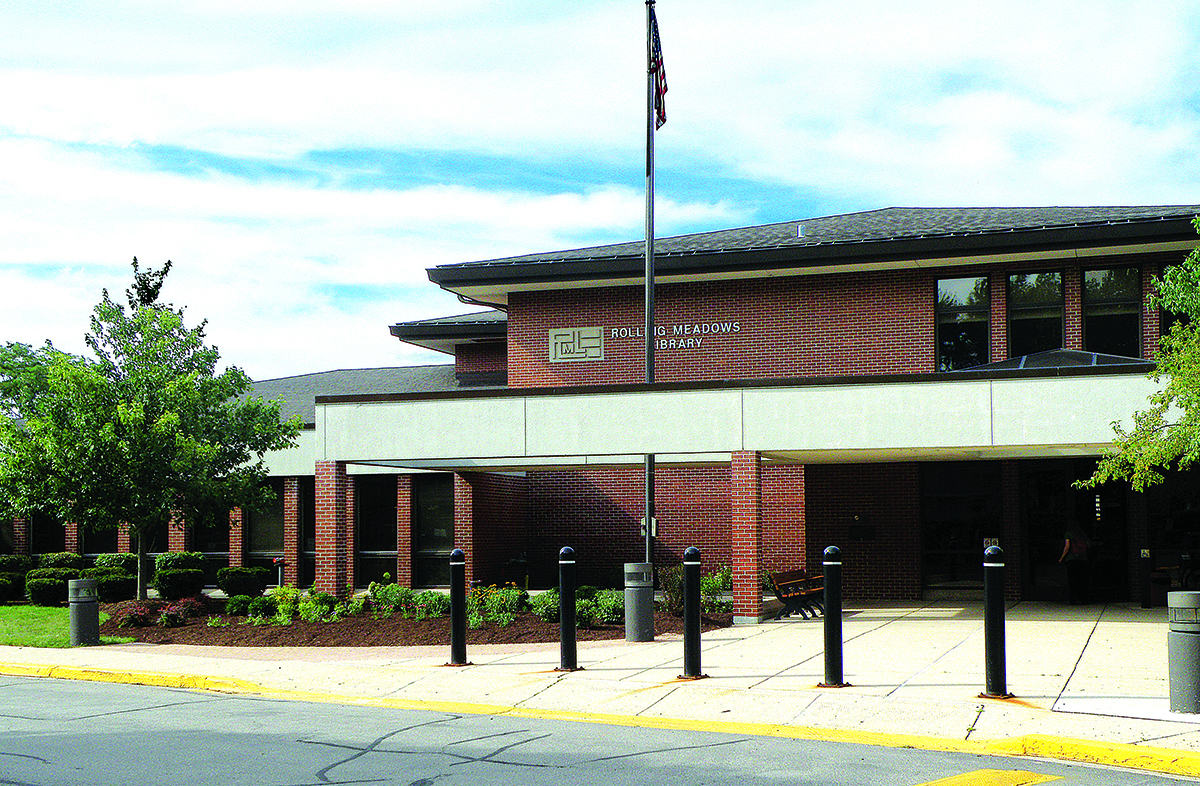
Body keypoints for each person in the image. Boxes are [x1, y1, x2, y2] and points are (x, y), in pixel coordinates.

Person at [1059, 522, 1090, 604]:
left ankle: (1073, 599)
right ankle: (1083, 599)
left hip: (1071, 559)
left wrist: (1062, 558)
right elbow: (1088, 545)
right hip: (1082, 559)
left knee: (1072, 580)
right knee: (1082, 579)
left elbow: (1067, 546)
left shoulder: (1068, 534)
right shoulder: (1082, 534)